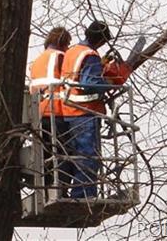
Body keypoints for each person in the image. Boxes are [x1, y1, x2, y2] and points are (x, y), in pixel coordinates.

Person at [61, 20, 131, 199]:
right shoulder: (90, 55)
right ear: (101, 40)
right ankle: (84, 195)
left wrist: (101, 65)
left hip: (69, 112)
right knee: (89, 156)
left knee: (75, 155)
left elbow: (77, 77)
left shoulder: (73, 52)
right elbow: (90, 84)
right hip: (85, 111)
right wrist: (107, 83)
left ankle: (75, 192)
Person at [29, 26, 73, 198]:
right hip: (58, 110)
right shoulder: (60, 57)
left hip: (40, 112)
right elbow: (73, 79)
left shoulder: (37, 62)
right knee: (64, 152)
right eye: (67, 43)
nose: (68, 47)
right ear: (62, 42)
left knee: (47, 154)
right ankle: (60, 190)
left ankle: (48, 190)